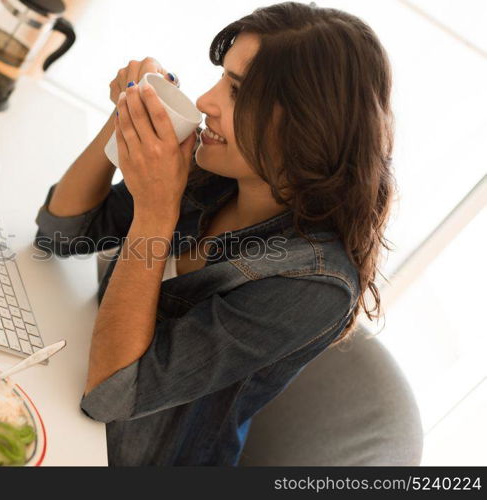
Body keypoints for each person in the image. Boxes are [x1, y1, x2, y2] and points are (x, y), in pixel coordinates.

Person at [34, 1, 395, 465]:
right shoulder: (215, 175)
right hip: (66, 377)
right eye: (223, 77)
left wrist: (156, 210)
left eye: (239, 92)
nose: (206, 101)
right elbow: (60, 234)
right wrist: (129, 114)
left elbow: (111, 396)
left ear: (309, 125)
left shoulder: (313, 285)